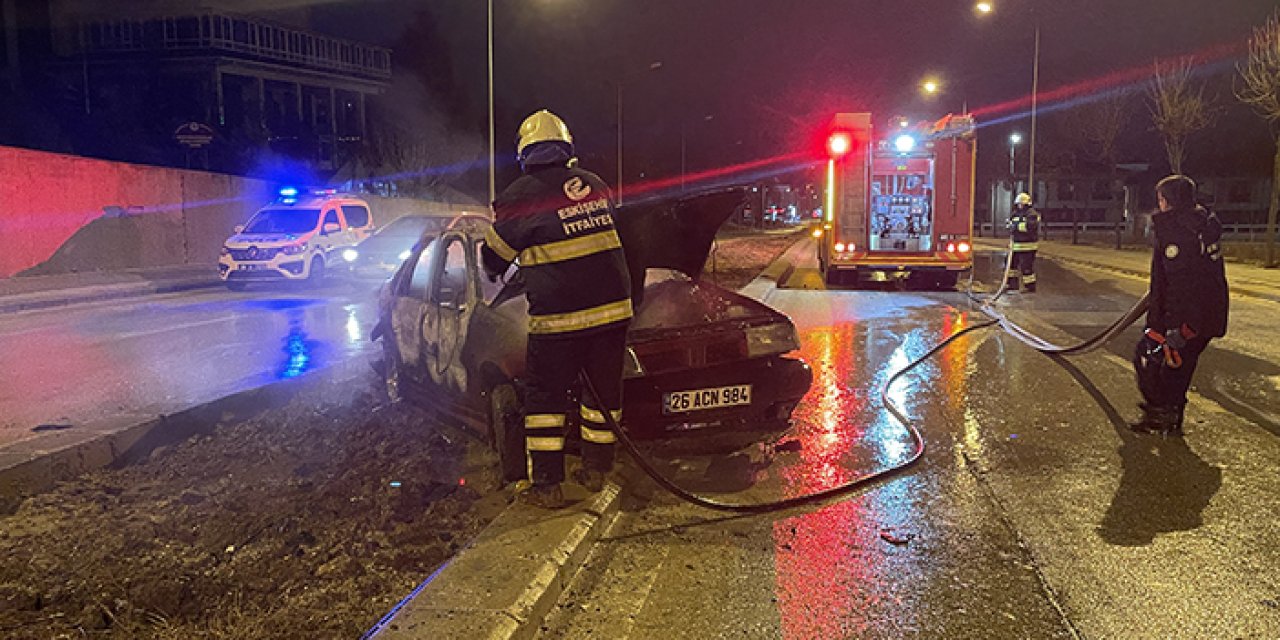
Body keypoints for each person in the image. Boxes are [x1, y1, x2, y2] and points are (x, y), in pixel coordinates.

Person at [480, 110, 632, 508]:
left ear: (525, 152)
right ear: (567, 149)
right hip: (614, 312)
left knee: (545, 398)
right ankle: (598, 468)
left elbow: (493, 260)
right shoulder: (596, 184)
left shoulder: (520, 196)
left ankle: (547, 484)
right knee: (601, 394)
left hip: (559, 320)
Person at [1131, 175, 1229, 435]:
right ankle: (1167, 416)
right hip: (1202, 317)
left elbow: (1185, 286)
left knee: (1153, 358)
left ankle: (1163, 415)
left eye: (1161, 199)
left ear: (1169, 201)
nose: (1159, 204)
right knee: (1173, 367)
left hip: (1188, 319)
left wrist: (1181, 328)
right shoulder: (1199, 226)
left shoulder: (1179, 233)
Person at [1005, 192, 1041, 292]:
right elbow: (1010, 223)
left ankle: (1030, 287)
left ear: (1026, 204)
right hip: (1016, 246)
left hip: (1028, 246)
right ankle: (1012, 284)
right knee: (1011, 266)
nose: (1019, 205)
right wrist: (1009, 225)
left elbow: (1030, 227)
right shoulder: (1015, 213)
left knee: (1026, 267)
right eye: (1018, 204)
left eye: (1021, 204)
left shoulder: (1031, 214)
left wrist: (1015, 227)